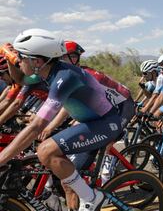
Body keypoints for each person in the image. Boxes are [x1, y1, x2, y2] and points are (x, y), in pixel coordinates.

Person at [0, 29, 133, 211]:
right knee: (58, 168)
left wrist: (2, 157)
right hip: (90, 123)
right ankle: (87, 196)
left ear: (37, 61)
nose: (18, 61)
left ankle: (92, 198)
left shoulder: (65, 77)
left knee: (45, 151)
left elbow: (37, 126)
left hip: (105, 123)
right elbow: (20, 79)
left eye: (21, 57)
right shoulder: (46, 72)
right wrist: (9, 58)